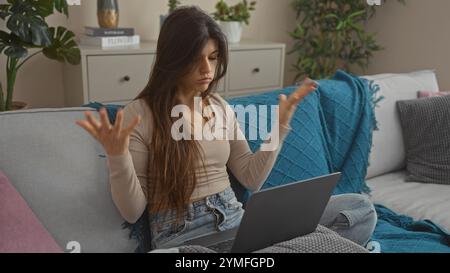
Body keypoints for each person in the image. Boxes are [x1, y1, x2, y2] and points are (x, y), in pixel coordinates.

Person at [75, 6, 377, 252]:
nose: (208, 70)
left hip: (240, 226)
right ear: (174, 59)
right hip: (185, 241)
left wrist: (281, 125)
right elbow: (132, 211)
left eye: (214, 57)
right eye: (197, 60)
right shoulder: (139, 114)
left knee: (358, 208)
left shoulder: (219, 106)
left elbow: (250, 176)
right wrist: (118, 156)